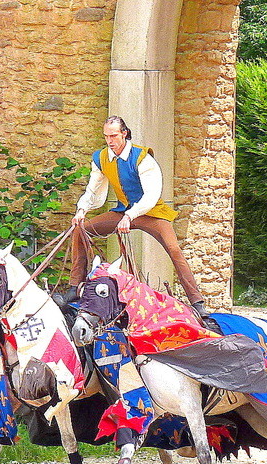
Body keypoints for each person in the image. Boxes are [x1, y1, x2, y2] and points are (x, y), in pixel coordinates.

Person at [67, 116, 209, 317]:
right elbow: (93, 190)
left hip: (150, 213)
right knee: (81, 229)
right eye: (106, 136)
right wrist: (81, 211)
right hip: (122, 211)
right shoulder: (101, 158)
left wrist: (131, 215)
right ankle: (74, 288)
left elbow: (151, 195)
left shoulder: (142, 158)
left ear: (124, 133)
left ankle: (197, 302)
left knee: (173, 248)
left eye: (114, 135)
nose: (110, 140)